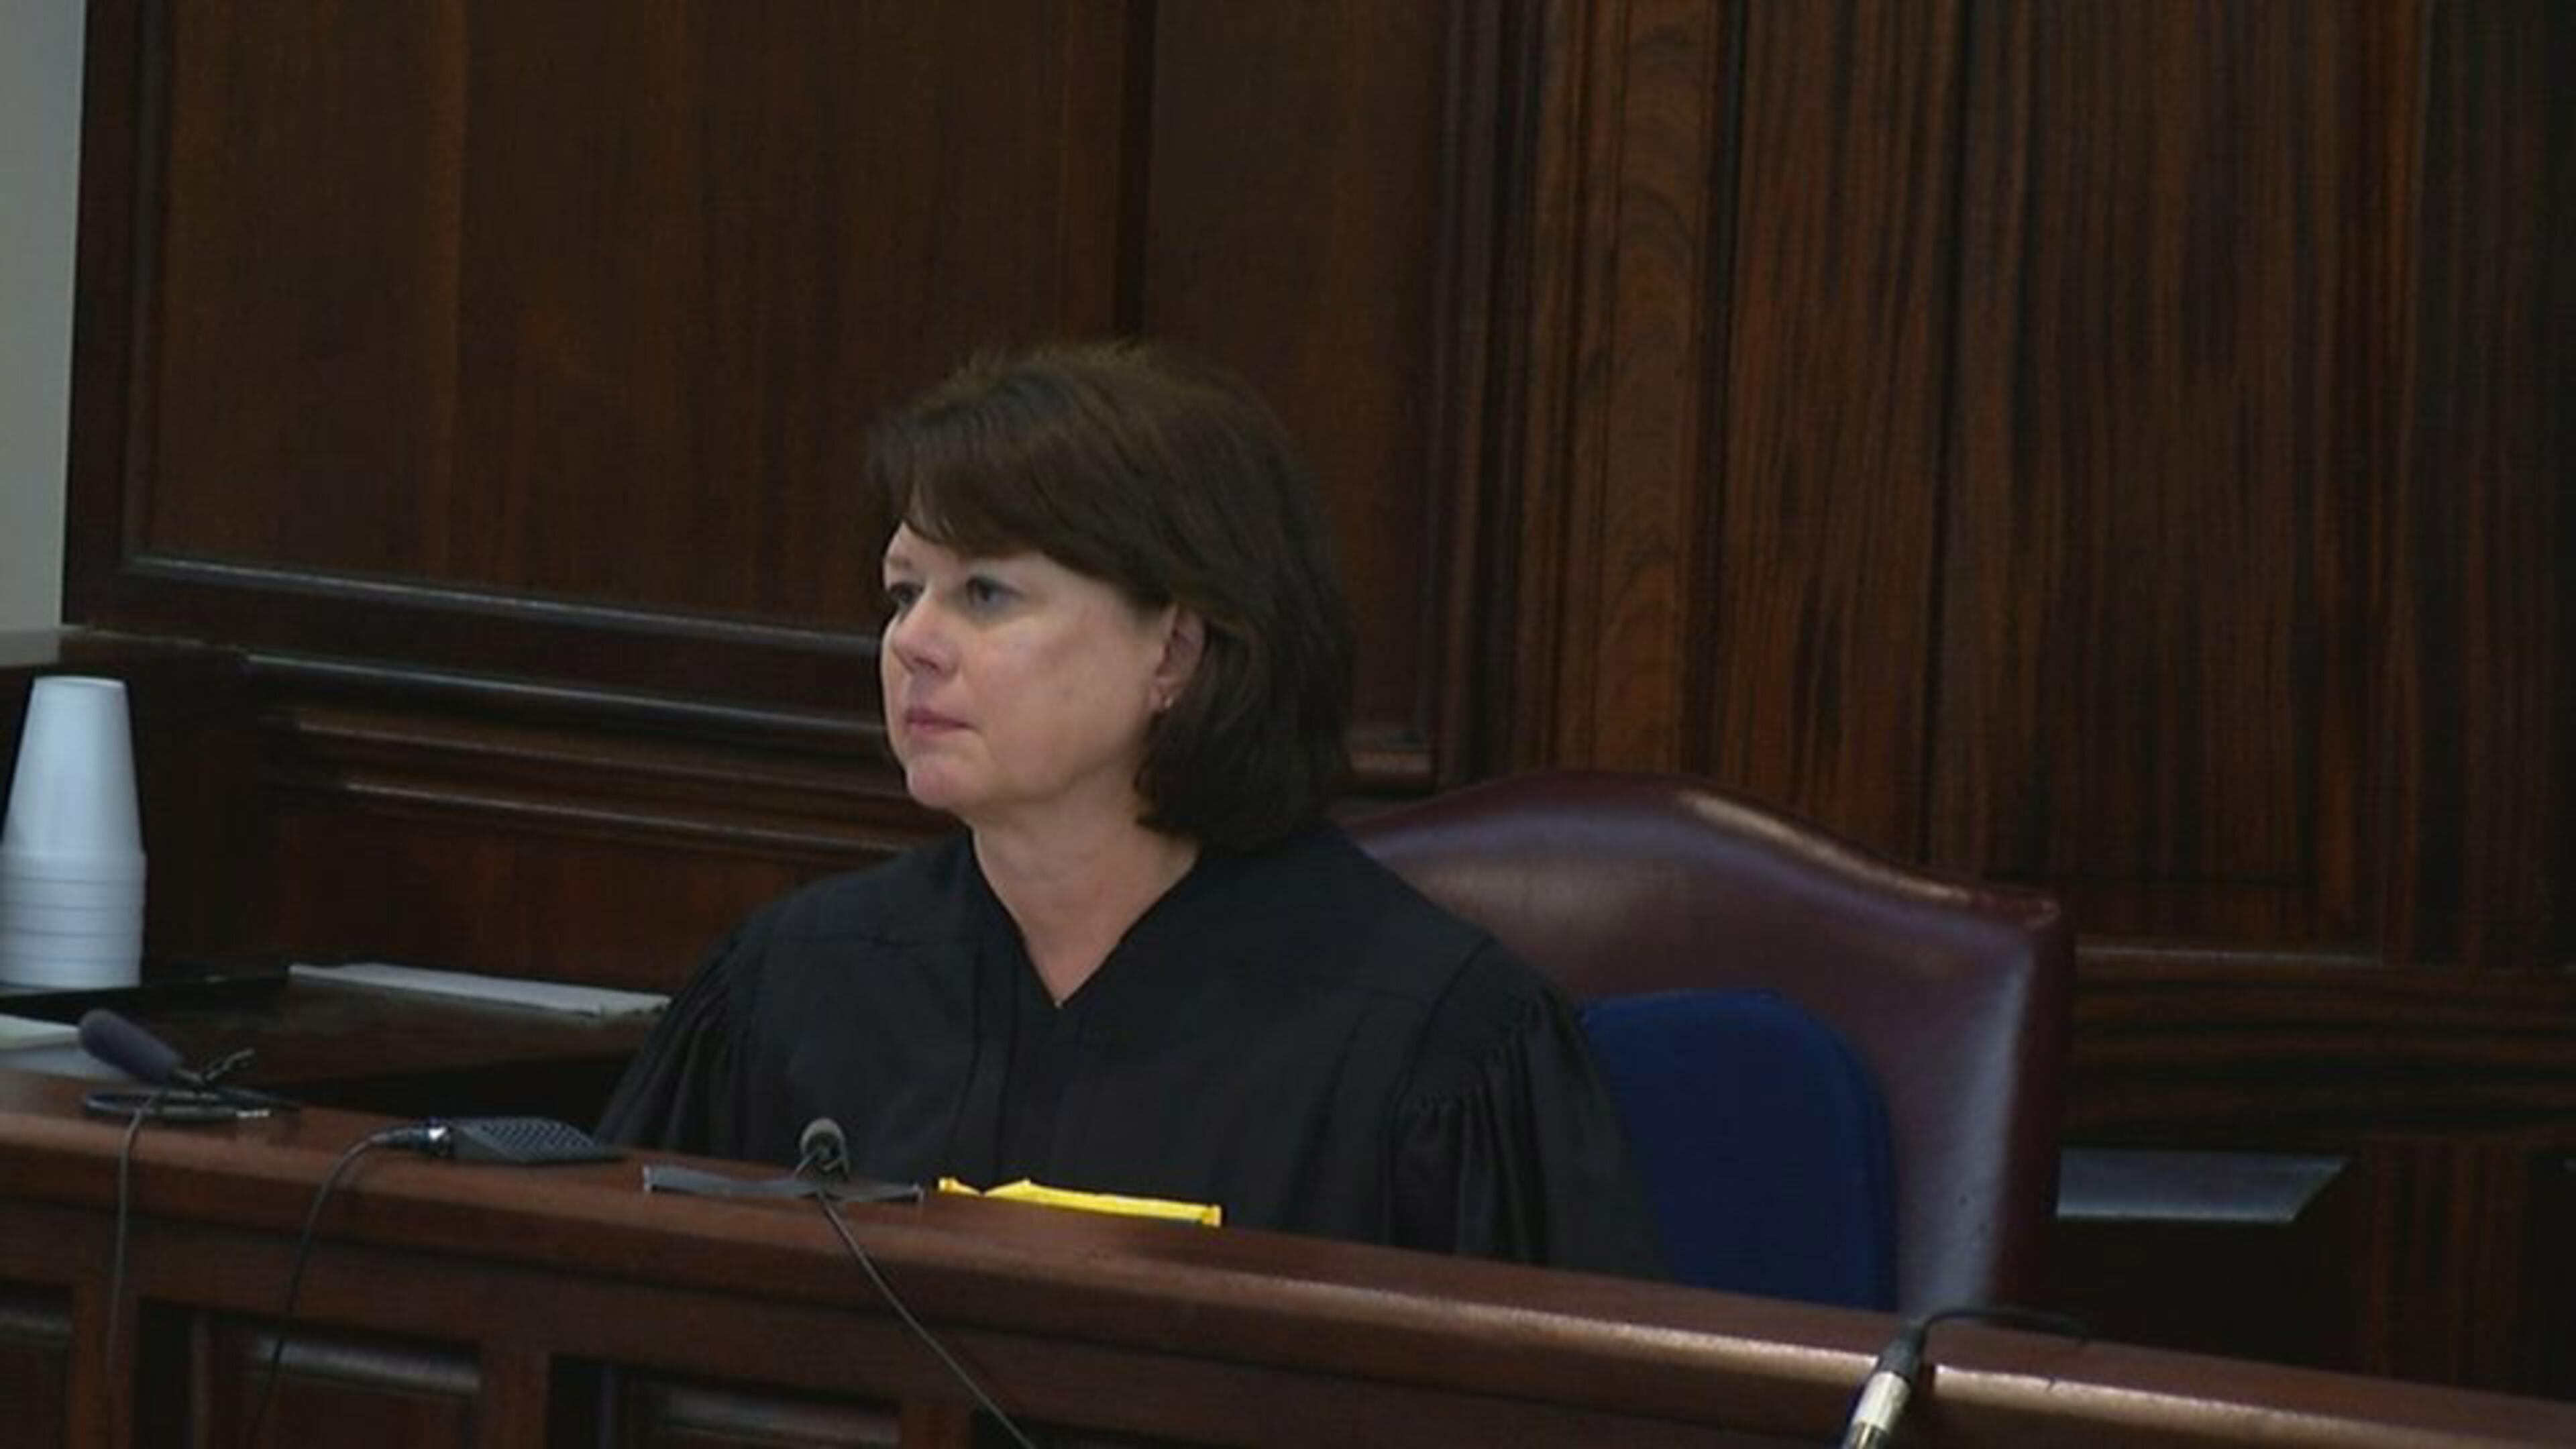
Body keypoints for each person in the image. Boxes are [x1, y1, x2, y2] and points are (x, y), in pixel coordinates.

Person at [598, 341, 1665, 1279]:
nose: (912, 641)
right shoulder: (792, 989)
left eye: (985, 594)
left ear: (1176, 651)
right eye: (902, 591)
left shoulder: (1432, 1051)